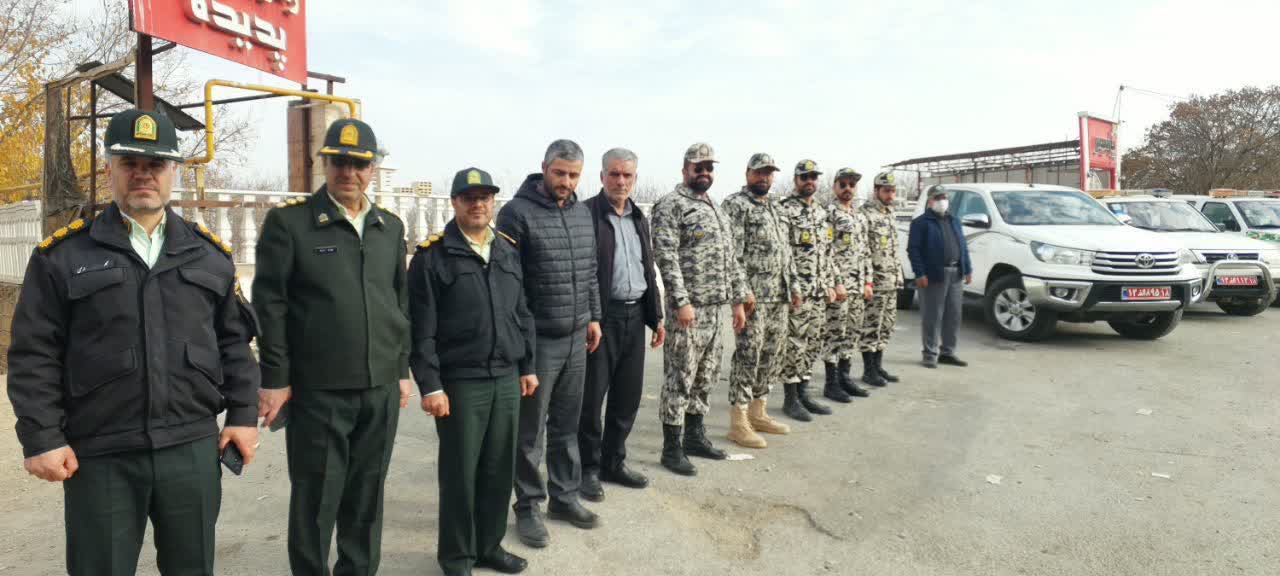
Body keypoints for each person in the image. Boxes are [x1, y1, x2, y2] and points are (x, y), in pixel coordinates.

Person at [7, 108, 260, 575]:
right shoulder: (62, 257)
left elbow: (235, 346)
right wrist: (41, 437)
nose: (143, 174)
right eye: (130, 164)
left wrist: (243, 416)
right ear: (109, 170)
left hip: (189, 449)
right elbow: (33, 354)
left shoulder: (209, 255)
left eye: (156, 165)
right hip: (101, 454)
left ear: (173, 173)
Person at [253, 118, 413, 576]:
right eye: (339, 162)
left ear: (373, 168)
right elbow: (271, 305)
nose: (349, 172)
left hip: (379, 388)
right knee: (316, 499)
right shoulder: (291, 224)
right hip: (318, 391)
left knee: (367, 496)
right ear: (324, 162)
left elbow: (399, 304)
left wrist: (401, 368)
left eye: (359, 163)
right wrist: (277, 379)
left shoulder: (390, 226)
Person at [410, 167, 538, 576]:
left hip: (505, 377)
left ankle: (489, 546)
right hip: (461, 383)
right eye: (469, 197)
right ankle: (457, 558)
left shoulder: (506, 248)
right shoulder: (433, 256)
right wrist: (430, 385)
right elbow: (420, 330)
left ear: (493, 202)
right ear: (454, 202)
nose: (478, 203)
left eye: (485, 196)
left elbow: (521, 313)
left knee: (499, 469)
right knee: (461, 475)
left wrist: (527, 365)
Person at [496, 140, 604, 548]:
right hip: (538, 340)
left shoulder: (580, 212)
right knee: (530, 432)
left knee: (566, 425)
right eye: (559, 173)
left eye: (573, 174)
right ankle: (527, 506)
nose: (565, 181)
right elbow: (510, 284)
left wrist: (593, 316)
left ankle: (564, 495)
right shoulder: (516, 213)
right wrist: (521, 342)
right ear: (544, 168)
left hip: (577, 336)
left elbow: (590, 269)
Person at [650, 142, 749, 475]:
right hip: (688, 312)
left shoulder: (716, 209)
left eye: (709, 168)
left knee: (706, 376)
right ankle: (671, 447)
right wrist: (681, 301)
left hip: (715, 309)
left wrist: (738, 301)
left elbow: (730, 259)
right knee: (680, 377)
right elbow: (666, 256)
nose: (704, 173)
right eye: (698, 167)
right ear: (685, 170)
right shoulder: (671, 206)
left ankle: (695, 436)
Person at [578, 148, 664, 502]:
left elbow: (647, 267)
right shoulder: (586, 215)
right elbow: (581, 273)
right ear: (601, 177)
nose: (621, 181)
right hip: (602, 319)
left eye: (627, 175)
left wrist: (656, 315)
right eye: (614, 174)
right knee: (591, 397)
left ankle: (614, 461)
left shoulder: (638, 217)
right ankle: (587, 468)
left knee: (627, 396)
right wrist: (589, 316)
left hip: (633, 317)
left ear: (635, 179)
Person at [719, 153, 796, 449]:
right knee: (748, 356)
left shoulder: (776, 206)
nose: (764, 177)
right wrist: (741, 292)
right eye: (759, 172)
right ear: (748, 172)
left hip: (779, 295)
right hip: (754, 297)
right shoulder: (736, 206)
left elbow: (785, 250)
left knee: (772, 354)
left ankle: (758, 411)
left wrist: (794, 286)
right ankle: (738, 422)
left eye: (769, 173)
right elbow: (731, 254)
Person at [777, 160, 839, 420]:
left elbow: (827, 252)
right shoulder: (785, 211)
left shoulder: (822, 213)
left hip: (819, 291)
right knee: (795, 344)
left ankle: (804, 392)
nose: (809, 181)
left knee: (813, 343)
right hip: (798, 292)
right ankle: (790, 399)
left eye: (813, 177)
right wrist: (792, 288)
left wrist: (833, 282)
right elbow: (783, 254)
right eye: (804, 177)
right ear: (796, 180)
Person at [907, 186, 973, 368]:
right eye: (938, 198)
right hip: (933, 274)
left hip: (955, 273)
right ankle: (929, 353)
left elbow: (963, 247)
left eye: (944, 197)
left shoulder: (954, 221)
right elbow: (914, 250)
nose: (942, 201)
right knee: (932, 315)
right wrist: (919, 273)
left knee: (953, 315)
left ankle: (948, 352)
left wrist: (967, 269)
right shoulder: (921, 223)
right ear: (930, 201)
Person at [822, 168, 873, 399]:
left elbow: (865, 251)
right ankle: (831, 383)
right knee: (835, 334)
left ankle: (845, 378)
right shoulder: (829, 214)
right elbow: (826, 251)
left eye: (852, 184)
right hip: (840, 287)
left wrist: (868, 281)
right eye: (842, 184)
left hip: (858, 285)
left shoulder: (860, 215)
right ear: (835, 186)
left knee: (852, 333)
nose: (847, 188)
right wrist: (835, 282)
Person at [858, 172, 906, 387]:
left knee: (886, 325)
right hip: (875, 282)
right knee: (871, 326)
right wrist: (867, 281)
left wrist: (899, 277)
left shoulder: (890, 214)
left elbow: (894, 250)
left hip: (890, 281)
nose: (890, 195)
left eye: (893, 191)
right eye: (886, 190)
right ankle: (868, 370)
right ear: (876, 190)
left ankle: (878, 366)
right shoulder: (866, 215)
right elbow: (863, 252)